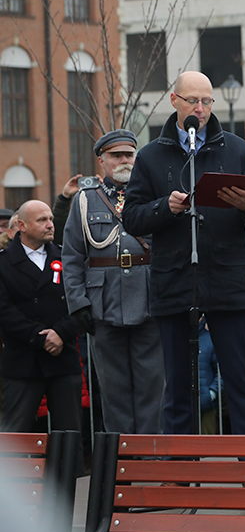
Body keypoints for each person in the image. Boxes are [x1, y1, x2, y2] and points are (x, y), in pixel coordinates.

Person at [123, 70, 245, 435]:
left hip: (227, 279)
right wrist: (165, 208)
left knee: (241, 380)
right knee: (177, 384)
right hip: (175, 281)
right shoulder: (151, 156)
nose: (201, 109)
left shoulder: (236, 149)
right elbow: (132, 217)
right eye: (193, 101)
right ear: (175, 101)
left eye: (207, 101)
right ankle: (180, 474)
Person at [61, 129, 165, 434]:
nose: (124, 161)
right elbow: (72, 256)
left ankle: (150, 459)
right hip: (102, 305)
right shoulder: (84, 199)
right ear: (102, 161)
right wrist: (78, 302)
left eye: (129, 155)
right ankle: (120, 463)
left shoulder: (153, 194)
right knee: (113, 390)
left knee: (152, 388)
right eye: (116, 156)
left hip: (149, 301)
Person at [0, 201, 82, 438]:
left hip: (63, 356)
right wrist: (41, 338)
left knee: (68, 436)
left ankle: (67, 477)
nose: (50, 225)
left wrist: (61, 333)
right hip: (23, 360)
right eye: (42, 220)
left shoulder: (67, 257)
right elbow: (4, 311)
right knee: (15, 436)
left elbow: (81, 300)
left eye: (51, 219)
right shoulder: (4, 263)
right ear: (22, 226)